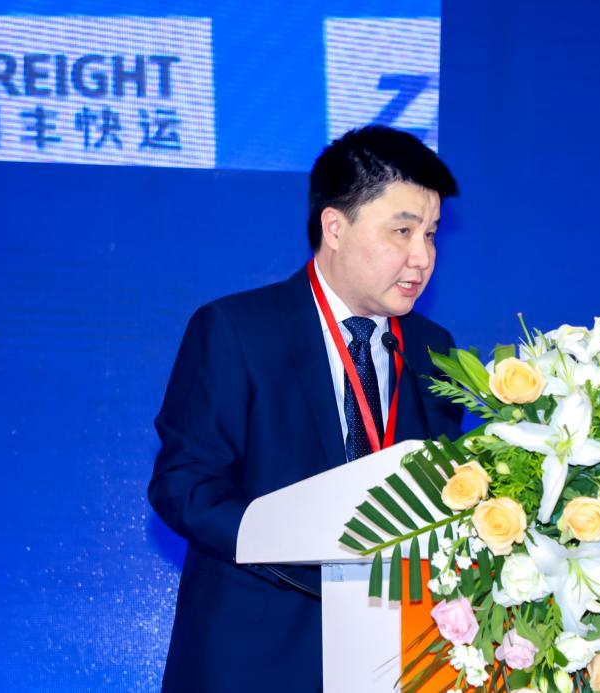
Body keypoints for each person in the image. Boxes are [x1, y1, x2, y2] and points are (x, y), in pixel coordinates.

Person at [148, 125, 464, 691]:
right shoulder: (237, 331)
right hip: (256, 660)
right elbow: (184, 487)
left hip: (397, 659)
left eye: (431, 234)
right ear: (335, 227)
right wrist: (311, 550)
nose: (422, 257)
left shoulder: (433, 351)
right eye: (402, 231)